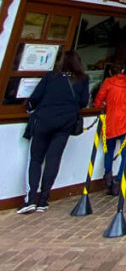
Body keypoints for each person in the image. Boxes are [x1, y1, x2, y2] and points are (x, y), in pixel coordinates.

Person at [18, 50, 90, 213]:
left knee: (35, 160)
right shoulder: (82, 79)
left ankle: (30, 199)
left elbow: (35, 98)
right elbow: (84, 101)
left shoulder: (51, 77)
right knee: (53, 160)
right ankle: (43, 200)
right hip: (65, 123)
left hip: (44, 120)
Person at [93, 61, 126, 196]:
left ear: (111, 72)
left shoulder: (109, 82)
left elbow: (99, 99)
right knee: (125, 153)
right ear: (123, 71)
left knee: (108, 149)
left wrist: (98, 106)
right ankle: (119, 180)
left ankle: (108, 175)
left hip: (112, 119)